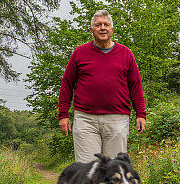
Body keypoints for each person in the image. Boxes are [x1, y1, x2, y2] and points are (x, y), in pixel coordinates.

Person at [57, 9, 147, 163]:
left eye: (106, 24)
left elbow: (135, 85)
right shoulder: (79, 53)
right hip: (85, 119)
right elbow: (67, 84)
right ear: (92, 31)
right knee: (87, 169)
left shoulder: (126, 54)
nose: (102, 28)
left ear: (112, 29)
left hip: (117, 120)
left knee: (114, 170)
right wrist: (63, 114)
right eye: (98, 25)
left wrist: (141, 113)